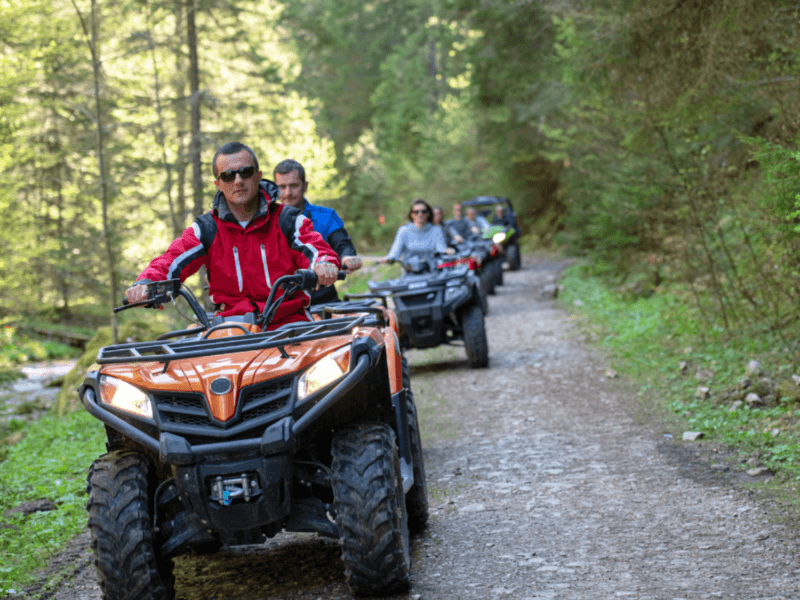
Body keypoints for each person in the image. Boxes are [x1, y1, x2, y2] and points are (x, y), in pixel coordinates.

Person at [125, 142, 341, 330]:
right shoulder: (206, 228)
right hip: (231, 330)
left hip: (289, 326)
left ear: (258, 176)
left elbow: (316, 249)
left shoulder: (288, 220)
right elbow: (171, 259)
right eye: (228, 175)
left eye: (245, 172)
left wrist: (324, 264)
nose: (238, 181)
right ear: (218, 183)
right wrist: (146, 283)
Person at [273, 159, 362, 305]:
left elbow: (342, 244)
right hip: (281, 306)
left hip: (324, 301)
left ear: (305, 186)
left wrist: (347, 257)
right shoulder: (264, 222)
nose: (287, 193)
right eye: (282, 187)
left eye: (294, 185)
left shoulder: (326, 216)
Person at [382, 199, 448, 264]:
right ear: (412, 215)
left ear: (428, 214)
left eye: (423, 211)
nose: (420, 214)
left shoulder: (436, 230)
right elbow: (395, 251)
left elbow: (441, 249)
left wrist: (448, 251)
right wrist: (389, 259)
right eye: (416, 212)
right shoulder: (404, 230)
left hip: (433, 271)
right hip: (410, 271)